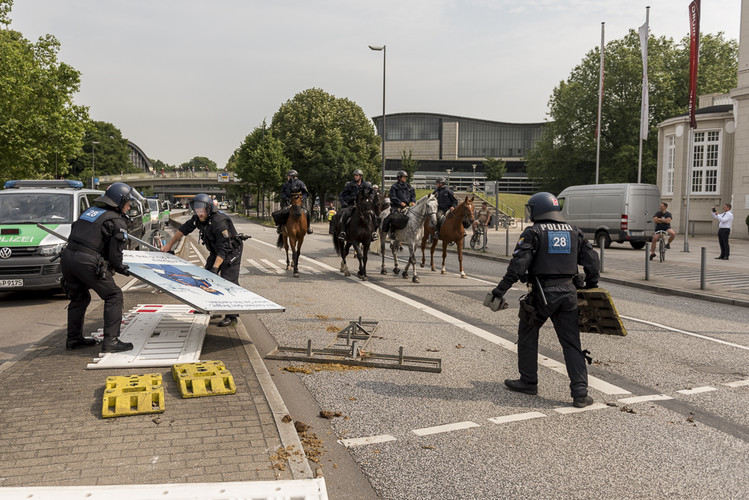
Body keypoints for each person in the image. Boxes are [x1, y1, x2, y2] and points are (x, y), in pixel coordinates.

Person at [485, 192, 600, 408]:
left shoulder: (533, 232)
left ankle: (528, 381)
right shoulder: (575, 232)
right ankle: (580, 393)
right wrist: (592, 285)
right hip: (568, 294)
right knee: (571, 343)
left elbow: (518, 266)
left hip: (542, 294)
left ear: (538, 210)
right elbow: (592, 261)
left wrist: (500, 290)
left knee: (528, 335)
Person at [61, 182, 135, 352]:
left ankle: (73, 339)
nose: (129, 206)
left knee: (79, 298)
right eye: (128, 203)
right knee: (114, 295)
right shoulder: (116, 221)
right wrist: (122, 268)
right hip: (86, 261)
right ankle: (111, 341)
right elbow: (115, 256)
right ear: (119, 201)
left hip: (67, 258)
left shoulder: (90, 212)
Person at [162, 193, 244, 327]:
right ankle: (212, 308)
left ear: (209, 209)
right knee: (207, 278)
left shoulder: (219, 222)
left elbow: (224, 249)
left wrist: (215, 268)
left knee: (228, 280)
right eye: (197, 210)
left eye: (202, 211)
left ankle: (232, 316)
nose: (199, 213)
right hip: (216, 251)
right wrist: (169, 244)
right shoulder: (198, 219)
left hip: (230, 251)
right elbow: (183, 230)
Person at [337, 169, 378, 241]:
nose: (355, 177)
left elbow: (372, 193)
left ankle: (373, 232)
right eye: (354, 175)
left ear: (361, 176)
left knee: (373, 215)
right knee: (345, 214)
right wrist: (350, 199)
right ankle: (343, 232)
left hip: (364, 205)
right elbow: (343, 195)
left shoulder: (366, 185)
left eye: (357, 175)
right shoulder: (350, 185)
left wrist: (369, 199)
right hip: (352, 204)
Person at [277, 170, 312, 235]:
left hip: (298, 202)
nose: (287, 177)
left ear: (291, 176)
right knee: (283, 212)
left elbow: (305, 193)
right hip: (288, 202)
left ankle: (308, 227)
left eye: (288, 176)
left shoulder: (301, 183)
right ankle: (280, 227)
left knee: (307, 212)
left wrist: (302, 198)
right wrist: (287, 198)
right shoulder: (286, 185)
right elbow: (282, 194)